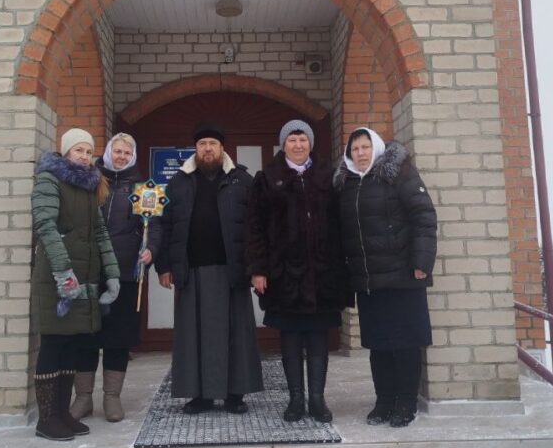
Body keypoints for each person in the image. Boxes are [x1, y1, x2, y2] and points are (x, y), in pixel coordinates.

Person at [246, 120, 350, 422]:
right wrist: (258, 269)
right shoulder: (267, 178)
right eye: (292, 140)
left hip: (321, 274)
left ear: (311, 143)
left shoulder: (329, 176)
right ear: (283, 145)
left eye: (303, 139)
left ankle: (317, 400)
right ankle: (295, 400)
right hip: (284, 275)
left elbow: (340, 224)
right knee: (290, 338)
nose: (298, 145)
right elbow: (254, 227)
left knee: (318, 337)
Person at [333, 127, 437, 427]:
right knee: (378, 345)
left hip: (403, 275)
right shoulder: (346, 183)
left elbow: (424, 217)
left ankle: (406, 402)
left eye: (365, 147)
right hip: (369, 280)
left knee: (405, 343)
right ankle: (384, 401)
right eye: (355, 149)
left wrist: (421, 262)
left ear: (376, 148)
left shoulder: (399, 174)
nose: (360, 153)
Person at [158, 123, 263, 414]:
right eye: (202, 144)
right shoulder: (178, 182)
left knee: (235, 336)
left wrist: (256, 266)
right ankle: (199, 396)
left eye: (212, 144)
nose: (207, 149)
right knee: (194, 338)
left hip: (232, 271)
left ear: (222, 148)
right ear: (195, 149)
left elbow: (255, 226)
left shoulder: (242, 180)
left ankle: (235, 395)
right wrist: (164, 266)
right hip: (191, 272)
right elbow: (166, 225)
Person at [30, 128, 121, 440]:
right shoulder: (50, 180)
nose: (84, 156)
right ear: (66, 151)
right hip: (57, 278)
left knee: (71, 345)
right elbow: (45, 225)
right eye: (78, 150)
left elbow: (100, 232)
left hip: (84, 278)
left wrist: (112, 273)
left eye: (88, 151)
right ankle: (47, 419)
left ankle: (62, 413)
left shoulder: (89, 185)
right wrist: (63, 272)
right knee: (53, 344)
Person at [69, 133, 161, 424]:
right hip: (90, 269)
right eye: (117, 151)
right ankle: (83, 397)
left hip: (124, 271)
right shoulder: (90, 180)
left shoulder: (144, 188)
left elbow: (154, 226)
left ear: (133, 157)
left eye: (127, 153)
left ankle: (112, 397)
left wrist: (151, 248)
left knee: (117, 338)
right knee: (85, 335)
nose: (121, 156)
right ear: (109, 152)